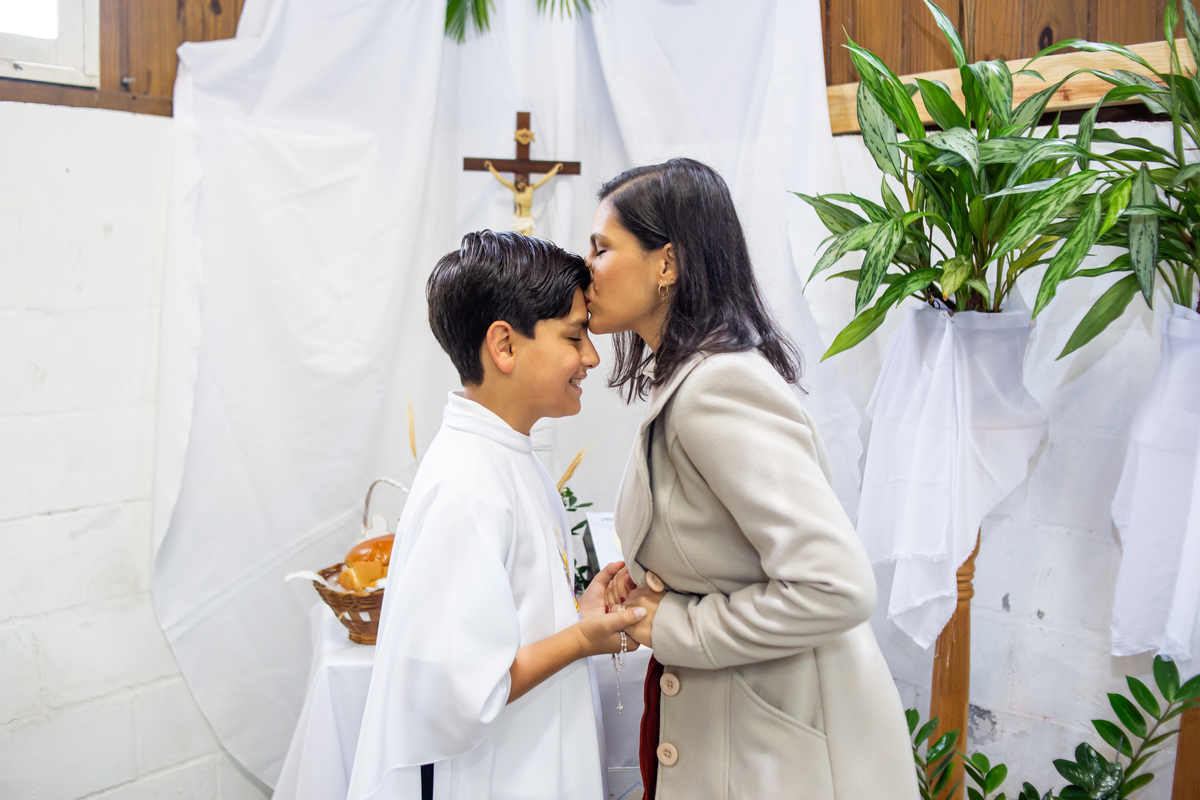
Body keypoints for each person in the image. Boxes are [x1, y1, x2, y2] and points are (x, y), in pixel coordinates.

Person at [589, 159, 919, 800]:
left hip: (780, 747)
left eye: (602, 249)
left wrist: (675, 626)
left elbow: (837, 586)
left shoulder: (716, 386)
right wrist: (656, 577)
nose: (587, 269)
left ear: (667, 263)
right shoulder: (692, 377)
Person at [348, 230, 643, 800]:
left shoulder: (507, 454)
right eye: (574, 336)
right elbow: (462, 692)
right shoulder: (467, 484)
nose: (591, 356)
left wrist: (576, 613)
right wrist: (580, 640)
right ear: (504, 345)